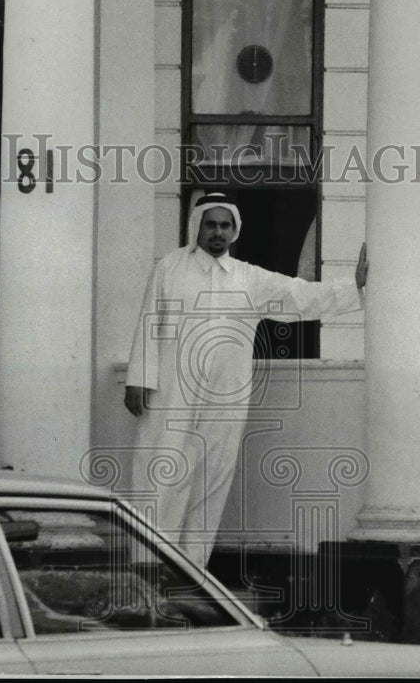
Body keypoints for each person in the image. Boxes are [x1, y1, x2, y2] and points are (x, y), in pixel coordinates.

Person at [123, 192, 368, 568]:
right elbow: (147, 322)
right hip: (172, 393)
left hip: (225, 396)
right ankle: (147, 572)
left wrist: (354, 287)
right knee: (162, 476)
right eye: (210, 224)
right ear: (197, 226)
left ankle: (190, 575)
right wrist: (138, 378)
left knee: (212, 479)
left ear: (235, 231)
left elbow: (299, 297)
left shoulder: (248, 278)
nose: (217, 233)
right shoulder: (170, 268)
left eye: (225, 225)